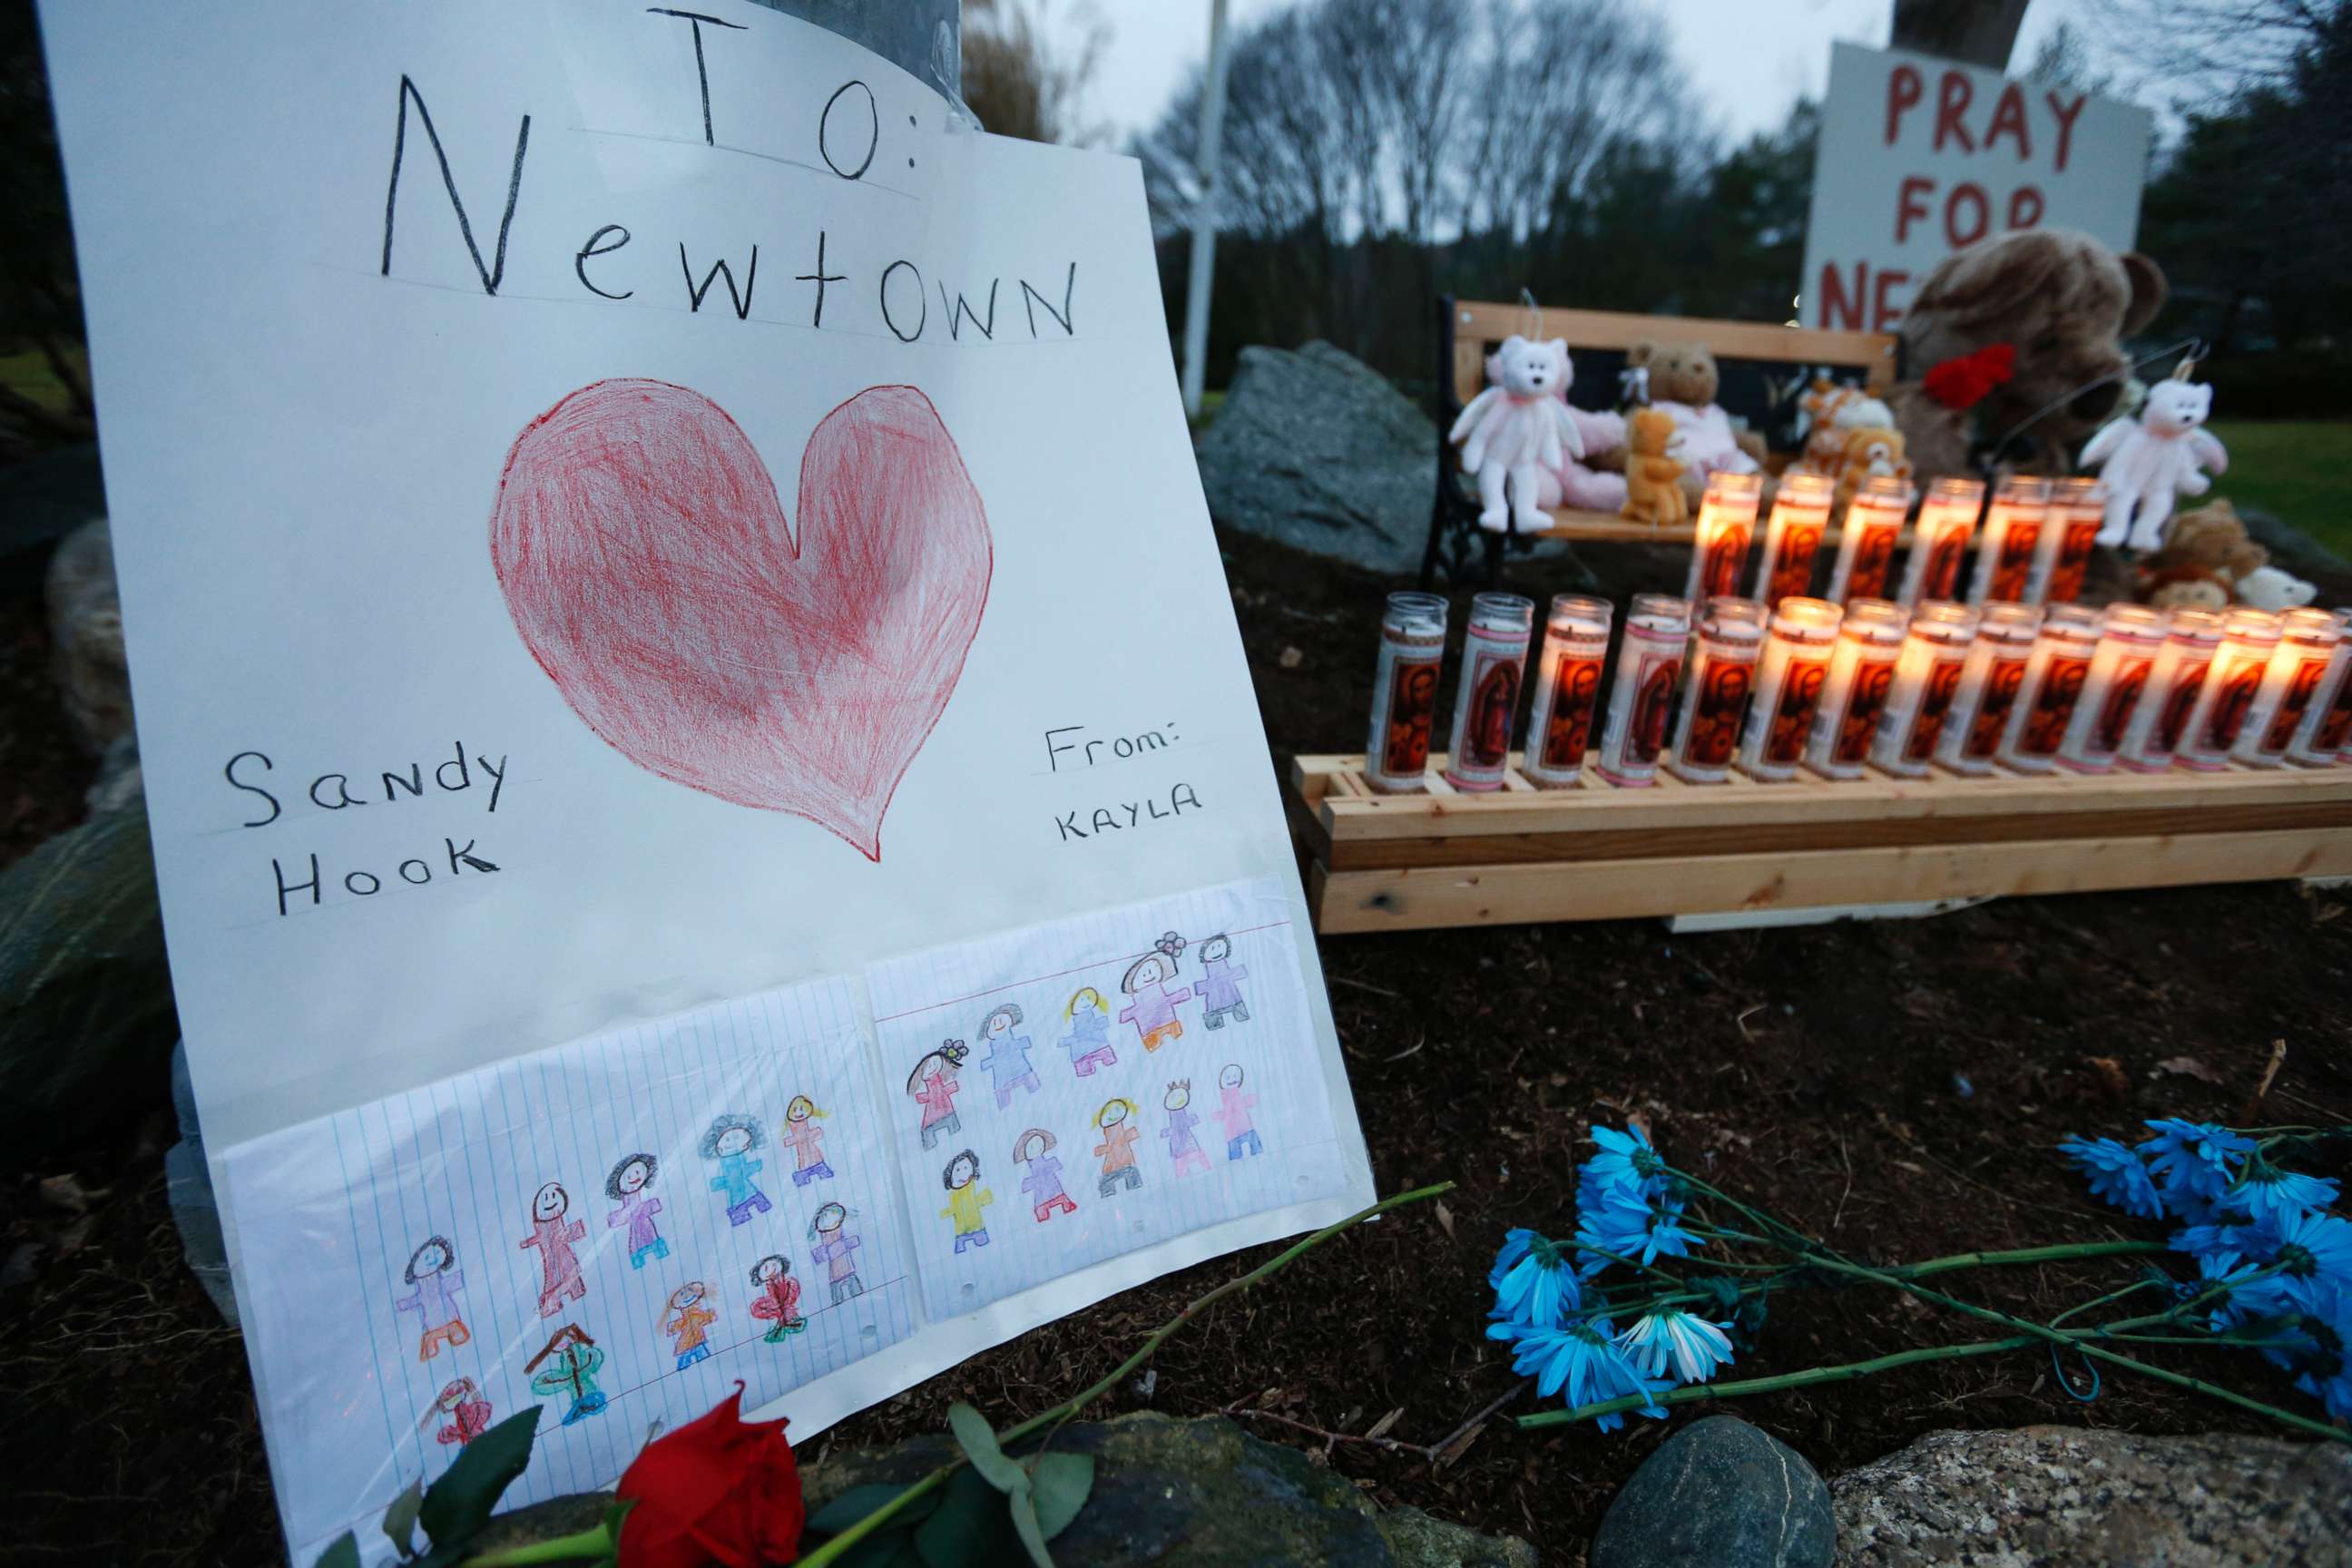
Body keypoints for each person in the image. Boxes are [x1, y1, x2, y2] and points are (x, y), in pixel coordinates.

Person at [392, 1235, 469, 1361]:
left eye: (437, 1255)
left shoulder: (440, 1283)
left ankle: (449, 1337)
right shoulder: (423, 1288)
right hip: (433, 1322)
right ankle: (430, 1346)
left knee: (452, 1328)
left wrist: (462, 1277)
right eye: (427, 1257)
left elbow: (452, 1282)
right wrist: (400, 1306)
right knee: (431, 1334)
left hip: (448, 1317)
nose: (432, 1261)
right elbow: (415, 1300)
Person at [518, 1180, 587, 1318]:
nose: (550, 1201)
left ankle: (565, 1296)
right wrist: (525, 1243)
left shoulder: (556, 1219)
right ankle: (552, 1303)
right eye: (546, 1198)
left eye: (554, 1196)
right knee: (556, 1280)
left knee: (570, 1276)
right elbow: (540, 1238)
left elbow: (562, 1234)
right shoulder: (542, 1226)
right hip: (552, 1260)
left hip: (563, 1256)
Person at [525, 1325, 609, 1426]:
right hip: (574, 1389)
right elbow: (540, 1386)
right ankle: (581, 1406)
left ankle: (586, 1404)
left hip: (588, 1392)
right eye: (563, 1347)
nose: (569, 1349)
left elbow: (596, 1356)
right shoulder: (563, 1377)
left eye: (570, 1344)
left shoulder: (588, 1361)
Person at [701, 1112, 772, 1226]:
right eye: (727, 1140)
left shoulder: (739, 1158)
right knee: (744, 1208)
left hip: (747, 1191)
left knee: (755, 1201)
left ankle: (753, 1209)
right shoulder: (725, 1164)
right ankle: (741, 1215)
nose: (732, 1143)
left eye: (736, 1138)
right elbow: (734, 1176)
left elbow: (744, 1170)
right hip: (738, 1196)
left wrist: (755, 1166)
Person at [604, 1152, 669, 1269]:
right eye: (628, 1177)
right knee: (636, 1241)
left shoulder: (638, 1205)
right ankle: (640, 1258)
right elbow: (625, 1214)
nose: (634, 1177)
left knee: (649, 1236)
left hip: (644, 1222)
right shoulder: (630, 1206)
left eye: (638, 1172)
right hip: (636, 1224)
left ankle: (651, 1253)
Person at [907, 1042, 968, 1152]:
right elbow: (929, 1096)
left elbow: (941, 1091)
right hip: (934, 1115)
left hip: (947, 1110)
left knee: (954, 1130)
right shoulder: (929, 1083)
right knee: (930, 1132)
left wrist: (951, 1088)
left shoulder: (939, 1079)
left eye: (936, 1063)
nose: (933, 1068)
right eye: (929, 1065)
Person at [976, 1004, 1041, 1107]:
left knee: (1035, 1089)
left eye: (1001, 1019)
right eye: (993, 1023)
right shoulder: (1000, 1047)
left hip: (1022, 1071)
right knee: (1003, 1100)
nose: (997, 1022)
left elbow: (1025, 1043)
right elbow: (987, 1063)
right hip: (1003, 1079)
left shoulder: (1015, 1043)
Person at [1014, 1128, 1077, 1221]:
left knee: (1058, 1194)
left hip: (1053, 1187)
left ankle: (1065, 1205)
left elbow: (1056, 1165)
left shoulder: (1049, 1164)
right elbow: (1027, 1185)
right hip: (1041, 1192)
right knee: (1042, 1203)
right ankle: (1043, 1214)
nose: (1037, 1148)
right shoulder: (1041, 1169)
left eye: (1039, 1143)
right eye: (1031, 1147)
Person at [940, 1149, 994, 1254]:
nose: (963, 1173)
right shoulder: (953, 1195)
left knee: (985, 1247)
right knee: (960, 1251)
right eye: (958, 1170)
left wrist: (986, 1197)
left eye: (966, 1168)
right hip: (960, 1232)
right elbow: (953, 1209)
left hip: (978, 1227)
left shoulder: (972, 1187)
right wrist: (944, 1213)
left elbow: (978, 1200)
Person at [810, 1203, 865, 1304]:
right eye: (825, 1216)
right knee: (837, 1297)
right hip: (835, 1273)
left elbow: (851, 1242)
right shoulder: (824, 1236)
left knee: (856, 1291)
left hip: (848, 1268)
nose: (829, 1218)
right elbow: (821, 1255)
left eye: (833, 1213)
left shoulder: (841, 1232)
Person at [1195, 934, 1252, 1029]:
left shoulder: (1227, 972)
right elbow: (1201, 987)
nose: (1217, 950)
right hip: (1215, 999)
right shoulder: (1212, 973)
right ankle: (1214, 1023)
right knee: (1214, 1009)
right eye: (1212, 948)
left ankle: (1237, 1016)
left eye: (1219, 947)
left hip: (1232, 997)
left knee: (1236, 1006)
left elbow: (1239, 972)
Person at [1058, 987, 1118, 1076]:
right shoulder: (1071, 1022)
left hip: (1100, 1046)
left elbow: (1103, 1023)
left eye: (1088, 998)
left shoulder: (1095, 1015)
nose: (1086, 1002)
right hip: (1081, 1052)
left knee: (1111, 1065)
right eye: (1082, 999)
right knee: (1086, 1073)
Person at [748, 1254, 806, 1341]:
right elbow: (772, 1300)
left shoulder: (791, 1282)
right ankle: (785, 1319)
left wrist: (785, 1308)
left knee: (792, 1285)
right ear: (762, 1278)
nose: (772, 1267)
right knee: (756, 1307)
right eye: (766, 1269)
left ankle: (788, 1318)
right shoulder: (769, 1289)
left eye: (774, 1263)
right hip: (776, 1306)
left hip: (786, 1305)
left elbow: (791, 1295)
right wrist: (778, 1311)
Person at [662, 1281, 718, 1370]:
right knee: (685, 1363)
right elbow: (675, 1327)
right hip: (685, 1346)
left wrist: (711, 1315)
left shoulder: (697, 1316)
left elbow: (706, 1317)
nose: (687, 1295)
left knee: (703, 1357)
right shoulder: (687, 1320)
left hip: (698, 1342)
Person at [1093, 1098, 1142, 1197]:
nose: (1113, 1114)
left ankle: (1134, 1188)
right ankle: (1108, 1193)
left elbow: (1132, 1134)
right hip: (1112, 1166)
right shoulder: (1110, 1130)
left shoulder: (1121, 1134)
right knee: (1107, 1183)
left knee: (1133, 1176)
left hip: (1126, 1164)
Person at [1160, 1081, 1210, 1177]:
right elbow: (1181, 1124)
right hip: (1179, 1146)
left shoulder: (1179, 1112)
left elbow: (1184, 1123)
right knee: (1182, 1165)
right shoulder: (1174, 1112)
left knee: (1194, 1158)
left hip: (1185, 1144)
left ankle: (1206, 1169)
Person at [782, 1095, 834, 1187]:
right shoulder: (793, 1126)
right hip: (804, 1161)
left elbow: (814, 1134)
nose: (798, 1112)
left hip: (815, 1158)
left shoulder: (807, 1129)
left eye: (802, 1109)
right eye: (795, 1110)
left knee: (822, 1172)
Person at [1215, 1063, 1261, 1160]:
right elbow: (1220, 1114)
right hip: (1234, 1132)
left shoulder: (1237, 1095)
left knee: (1255, 1148)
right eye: (1228, 1077)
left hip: (1243, 1128)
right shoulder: (1226, 1099)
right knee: (1236, 1156)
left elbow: (1247, 1101)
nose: (1233, 1079)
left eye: (1235, 1076)